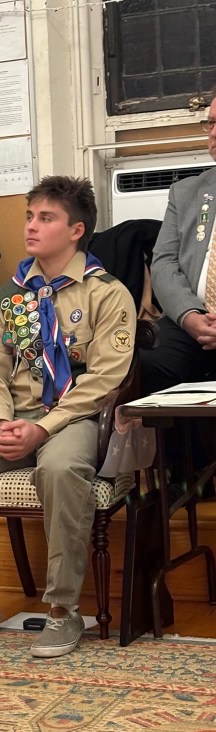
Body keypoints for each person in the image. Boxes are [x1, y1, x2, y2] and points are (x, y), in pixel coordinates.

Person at [0, 176, 136, 659]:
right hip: (13, 417)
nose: (31, 227)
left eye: (46, 218)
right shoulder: (12, 296)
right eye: (29, 216)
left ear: (76, 230)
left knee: (60, 468)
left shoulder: (105, 293)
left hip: (72, 420)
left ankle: (63, 609)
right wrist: (0, 422)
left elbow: (106, 380)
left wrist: (43, 428)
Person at [139, 90, 216, 479]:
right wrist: (188, 315)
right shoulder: (187, 192)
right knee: (152, 360)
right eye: (211, 124)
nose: (213, 133)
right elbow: (164, 262)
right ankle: (182, 475)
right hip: (192, 320)